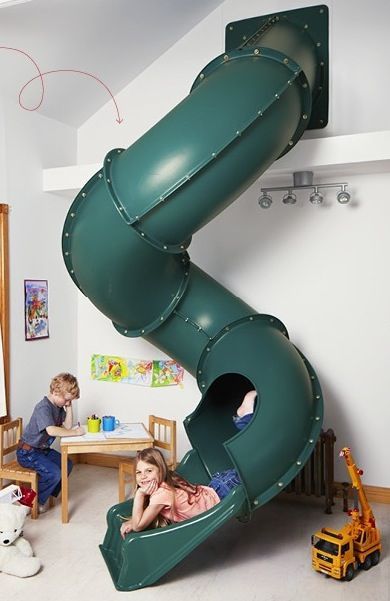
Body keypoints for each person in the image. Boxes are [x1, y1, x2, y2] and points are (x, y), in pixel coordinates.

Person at [16, 372, 84, 513]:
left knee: (67, 465)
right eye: (66, 400)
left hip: (42, 450)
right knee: (54, 473)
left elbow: (67, 426)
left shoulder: (59, 407)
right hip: (27, 452)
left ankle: (45, 496)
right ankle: (31, 502)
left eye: (69, 401)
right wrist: (75, 433)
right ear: (55, 392)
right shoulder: (44, 407)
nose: (67, 403)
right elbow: (52, 430)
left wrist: (69, 406)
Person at [120, 447, 220, 538]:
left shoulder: (162, 493)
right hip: (212, 491)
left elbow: (138, 527)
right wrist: (132, 521)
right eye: (138, 472)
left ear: (161, 471)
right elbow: (148, 514)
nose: (143, 476)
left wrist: (139, 495)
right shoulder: (164, 481)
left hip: (220, 495)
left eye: (149, 471)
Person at [208, 389, 257, 499]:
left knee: (247, 467)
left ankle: (244, 419)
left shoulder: (164, 493)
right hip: (216, 486)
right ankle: (243, 419)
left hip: (213, 489)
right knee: (247, 468)